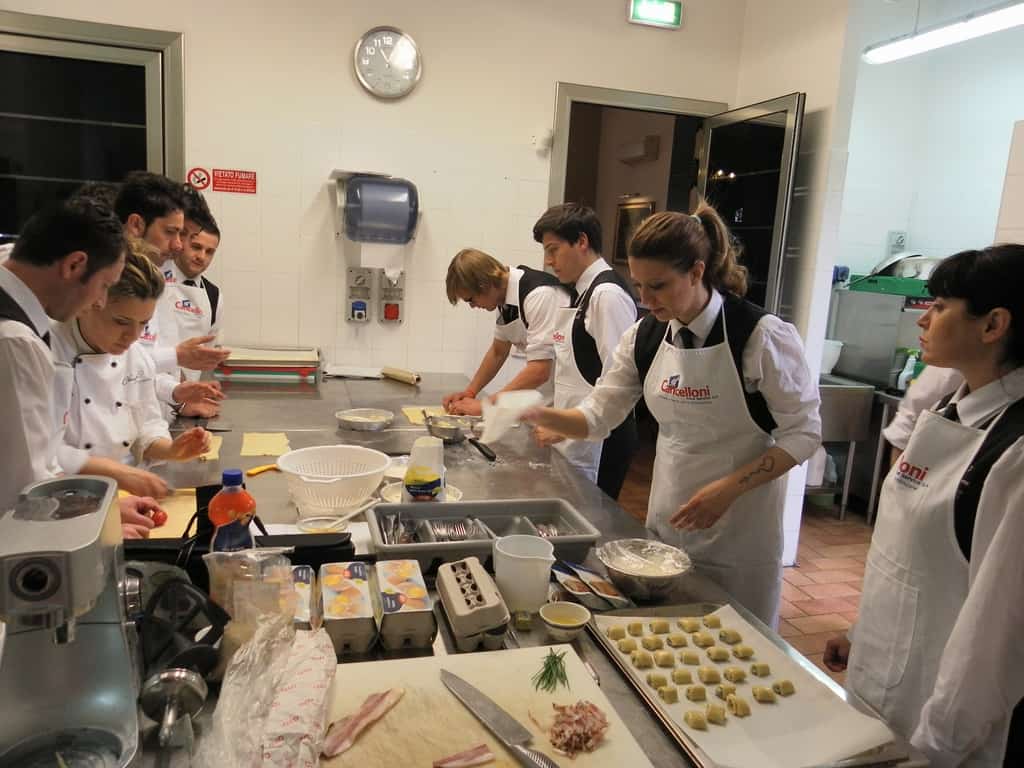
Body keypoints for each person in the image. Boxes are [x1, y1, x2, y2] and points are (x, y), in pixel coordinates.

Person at [524, 205, 821, 627]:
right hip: (666, 527)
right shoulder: (644, 337)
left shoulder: (759, 337)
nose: (645, 301)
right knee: (668, 636)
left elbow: (804, 433)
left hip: (740, 535)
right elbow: (597, 417)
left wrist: (728, 489)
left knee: (736, 643)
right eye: (639, 285)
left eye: (658, 286)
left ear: (697, 272)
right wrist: (534, 413)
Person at [825, 244, 1024, 767]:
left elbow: (995, 634)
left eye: (939, 306)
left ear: (993, 325)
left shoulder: (1014, 454)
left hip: (942, 726)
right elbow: (903, 555)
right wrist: (862, 634)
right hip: (886, 675)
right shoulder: (948, 407)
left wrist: (936, 749)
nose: (923, 318)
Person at [0, 198, 159, 538]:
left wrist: (98, 508)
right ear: (74, 265)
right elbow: (23, 496)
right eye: (104, 286)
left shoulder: (19, 315)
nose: (99, 302)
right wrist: (98, 523)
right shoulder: (14, 341)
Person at [51, 239, 212, 498]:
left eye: (143, 324)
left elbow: (147, 424)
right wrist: (116, 472)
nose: (132, 336)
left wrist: (171, 450)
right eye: (121, 321)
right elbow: (38, 451)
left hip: (123, 493)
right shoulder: (48, 351)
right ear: (90, 303)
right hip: (63, 495)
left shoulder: (135, 357)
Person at [530, 204, 639, 498]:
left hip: (603, 440)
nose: (548, 261)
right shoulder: (583, 291)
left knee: (592, 516)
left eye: (553, 250)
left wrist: (567, 428)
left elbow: (619, 381)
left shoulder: (607, 295)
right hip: (579, 432)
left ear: (581, 241)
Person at [113, 172, 228, 414]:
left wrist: (178, 394)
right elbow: (114, 367)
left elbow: (140, 368)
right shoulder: (108, 283)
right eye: (173, 232)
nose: (178, 246)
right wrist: (176, 358)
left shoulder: (153, 278)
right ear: (136, 225)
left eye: (183, 235)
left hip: (150, 418)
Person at [442, 248, 569, 415]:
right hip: (548, 399)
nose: (472, 306)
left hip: (570, 403)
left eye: (471, 299)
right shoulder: (504, 300)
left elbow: (540, 371)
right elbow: (498, 352)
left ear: (483, 285)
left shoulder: (539, 296)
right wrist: (470, 392)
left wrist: (486, 405)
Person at [154, 185, 225, 417]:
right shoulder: (152, 279)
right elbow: (133, 361)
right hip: (152, 402)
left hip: (172, 406)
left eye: (209, 251)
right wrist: (182, 399)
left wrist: (194, 390)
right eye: (195, 245)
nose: (201, 256)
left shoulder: (213, 295)